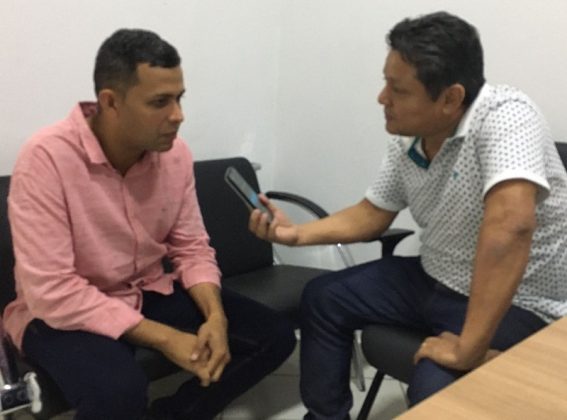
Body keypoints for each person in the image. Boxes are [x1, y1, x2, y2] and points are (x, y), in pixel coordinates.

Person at [249, 11, 567, 420]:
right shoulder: (409, 138)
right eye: (386, 82)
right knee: (324, 297)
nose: (382, 98)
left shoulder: (507, 116)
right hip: (433, 277)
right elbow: (373, 212)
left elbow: (511, 224)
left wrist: (469, 349)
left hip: (518, 301)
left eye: (397, 89)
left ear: (450, 98)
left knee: (436, 387)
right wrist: (297, 234)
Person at [3, 29, 296, 420]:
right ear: (111, 102)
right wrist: (167, 338)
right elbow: (53, 290)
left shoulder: (175, 155)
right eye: (160, 102)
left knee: (273, 336)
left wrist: (216, 318)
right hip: (63, 311)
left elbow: (191, 247)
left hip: (146, 289)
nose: (178, 115)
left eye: (179, 98)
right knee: (118, 393)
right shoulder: (46, 159)